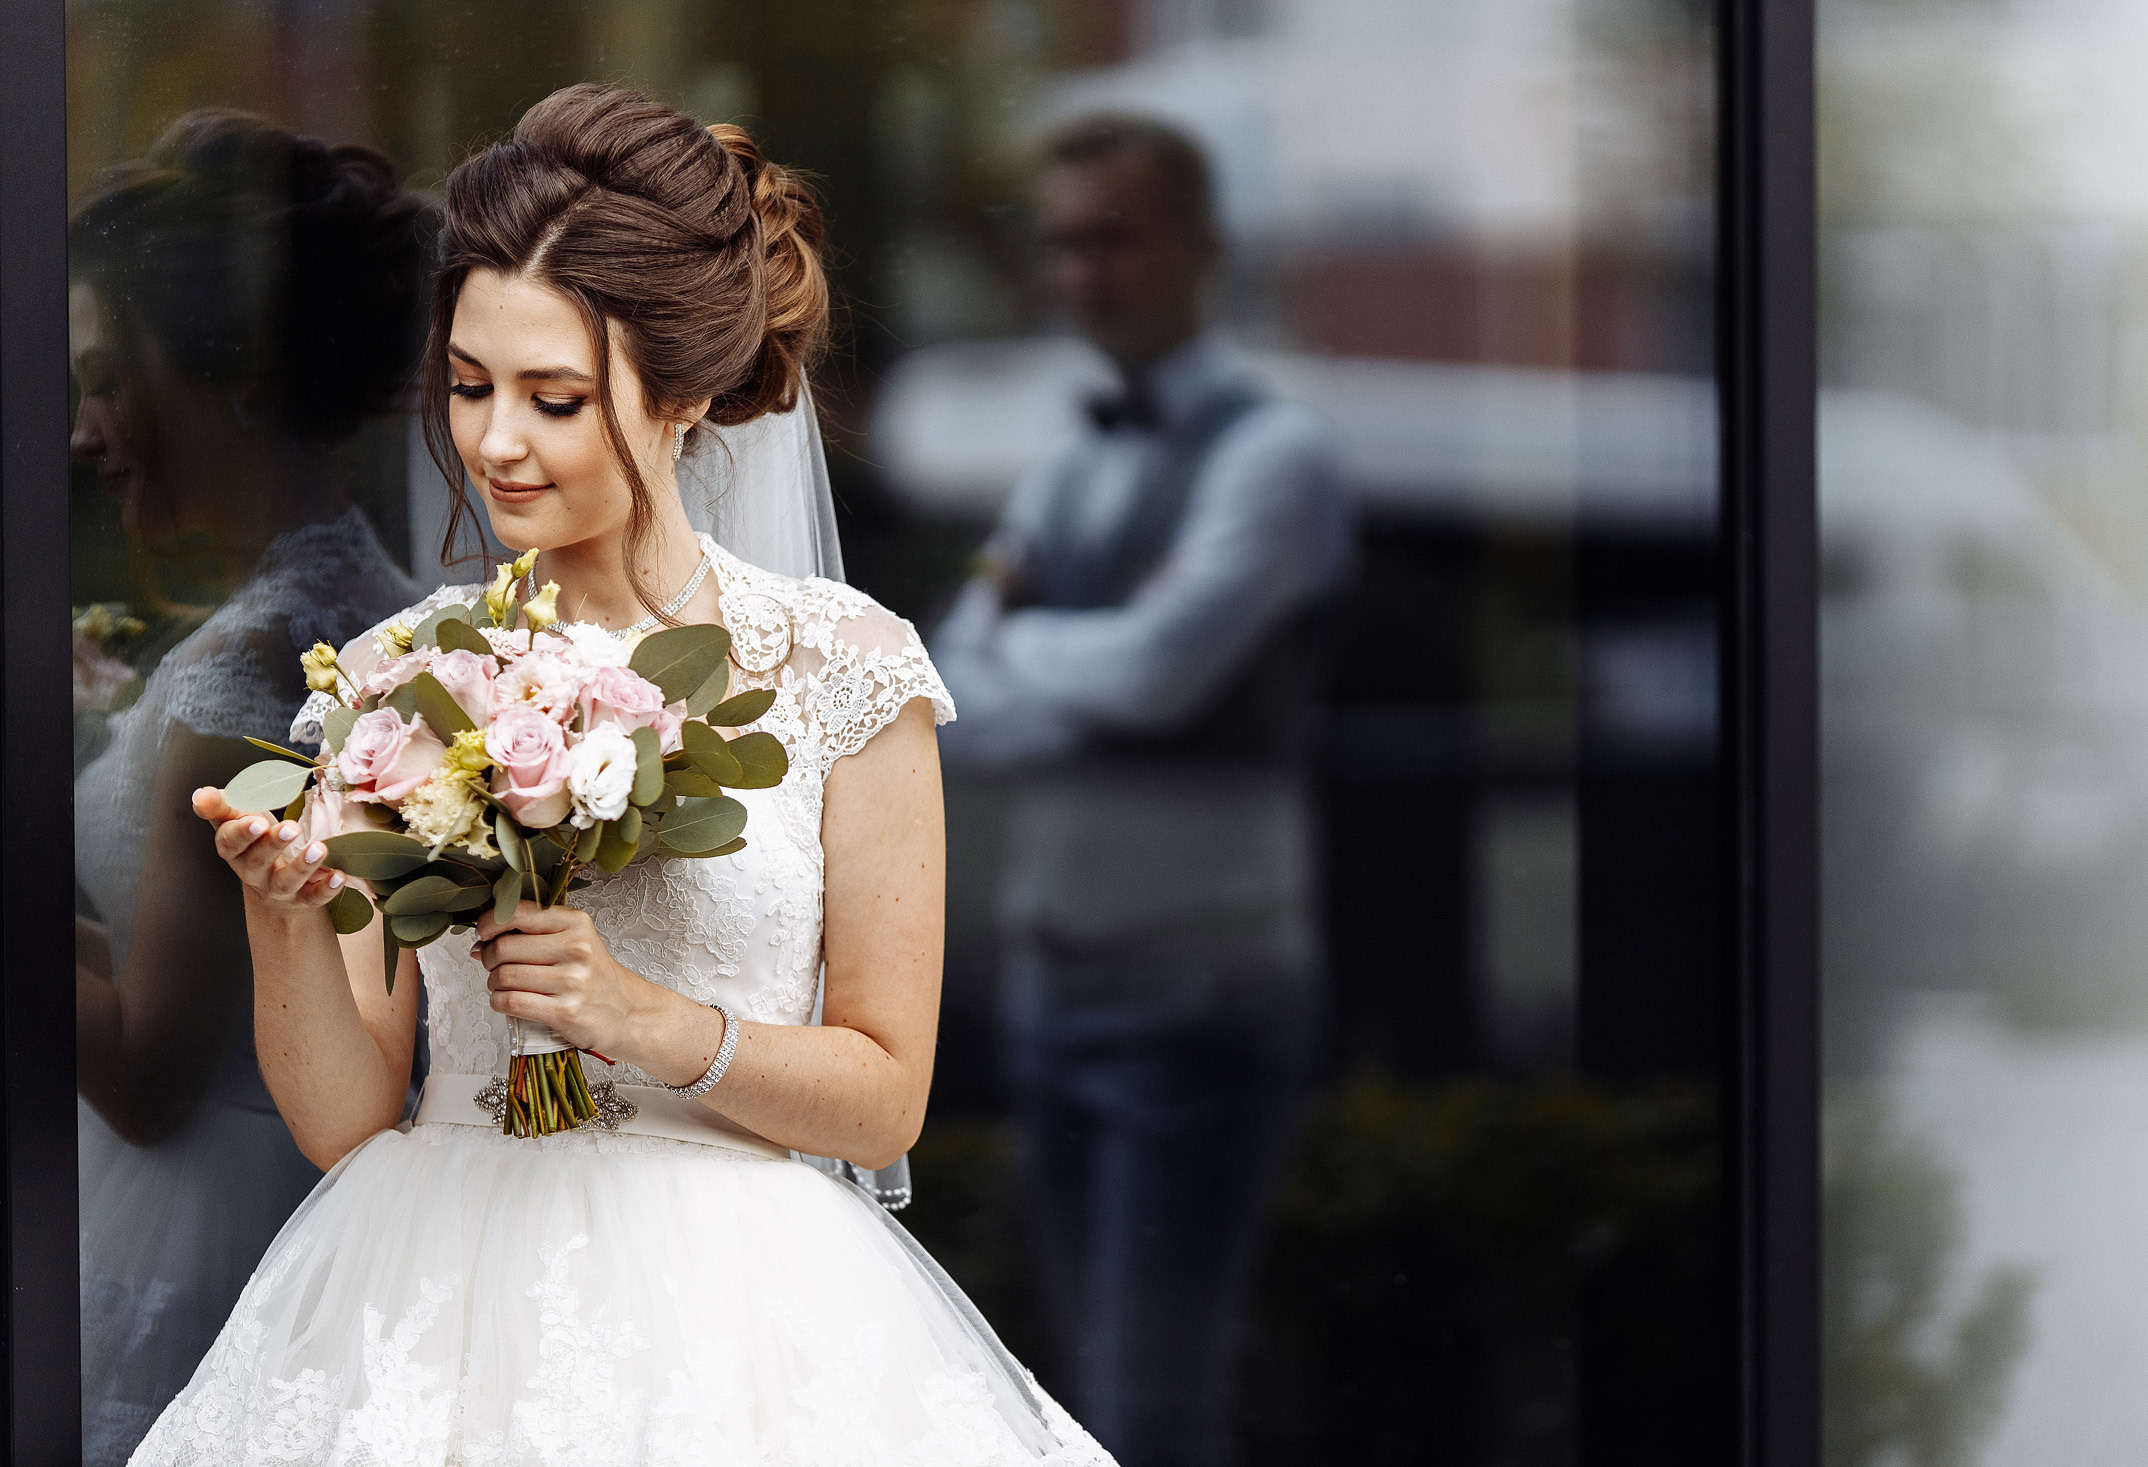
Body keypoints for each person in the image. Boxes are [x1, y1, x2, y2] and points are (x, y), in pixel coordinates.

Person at [135, 84, 1113, 1466]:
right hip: (431, 1293)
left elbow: (888, 1092)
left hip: (749, 1320)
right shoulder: (396, 674)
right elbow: (347, 1120)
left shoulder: (842, 668)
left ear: (687, 394)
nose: (495, 443)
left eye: (555, 398)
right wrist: (282, 915)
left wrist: (646, 1021)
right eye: (469, 386)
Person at [929, 114, 1350, 1467]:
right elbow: (948, 681)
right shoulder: (1066, 470)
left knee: (1152, 1409)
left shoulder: (1274, 460)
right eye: (1064, 244)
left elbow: (1165, 675)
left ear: (1202, 251)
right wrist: (1091, 662)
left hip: (1200, 988)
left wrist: (1041, 653)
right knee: (1080, 1399)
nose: (1085, 274)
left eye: (1115, 238)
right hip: (1060, 976)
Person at [68, 110, 424, 1465]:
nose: (91, 434)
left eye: (110, 380)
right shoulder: (360, 605)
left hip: (211, 1212)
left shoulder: (244, 675)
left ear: (223, 375)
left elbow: (154, 1073)